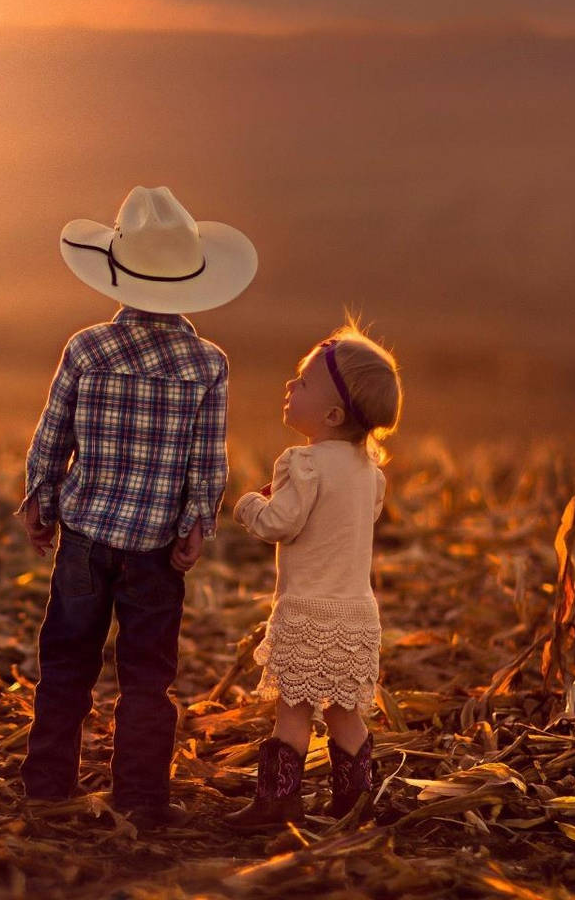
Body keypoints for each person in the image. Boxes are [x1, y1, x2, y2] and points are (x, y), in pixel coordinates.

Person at [16, 185, 257, 833]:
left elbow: (53, 435)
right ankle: (141, 801)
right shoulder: (208, 363)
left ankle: (47, 788)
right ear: (192, 279)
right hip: (155, 552)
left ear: (116, 271)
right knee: (148, 680)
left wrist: (41, 499)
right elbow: (206, 463)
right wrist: (195, 524)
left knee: (66, 664)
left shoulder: (87, 348)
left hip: (85, 537)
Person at [222, 319, 401, 831]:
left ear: (331, 413)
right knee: (346, 713)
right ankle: (355, 801)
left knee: (294, 709)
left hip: (306, 611)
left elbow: (283, 524)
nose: (288, 387)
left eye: (300, 383)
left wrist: (250, 505)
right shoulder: (371, 472)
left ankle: (277, 802)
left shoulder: (301, 463)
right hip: (357, 614)